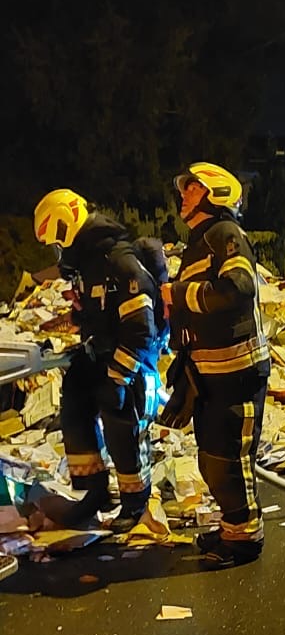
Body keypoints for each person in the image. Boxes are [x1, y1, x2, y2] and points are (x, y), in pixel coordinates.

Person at [34, 189, 163, 530]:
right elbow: (97, 312)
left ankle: (135, 502)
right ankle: (94, 493)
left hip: (129, 360)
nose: (57, 252)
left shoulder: (118, 261)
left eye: (56, 243)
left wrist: (119, 376)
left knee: (122, 426)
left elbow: (140, 327)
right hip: (100, 351)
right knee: (75, 406)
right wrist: (74, 320)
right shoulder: (88, 265)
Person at [163, 161, 269, 568]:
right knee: (212, 457)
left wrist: (179, 293)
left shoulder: (226, 235)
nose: (184, 194)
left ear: (214, 194)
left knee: (229, 459)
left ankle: (245, 541)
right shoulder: (201, 240)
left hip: (237, 370)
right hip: (212, 372)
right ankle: (231, 528)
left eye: (192, 188)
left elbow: (238, 290)